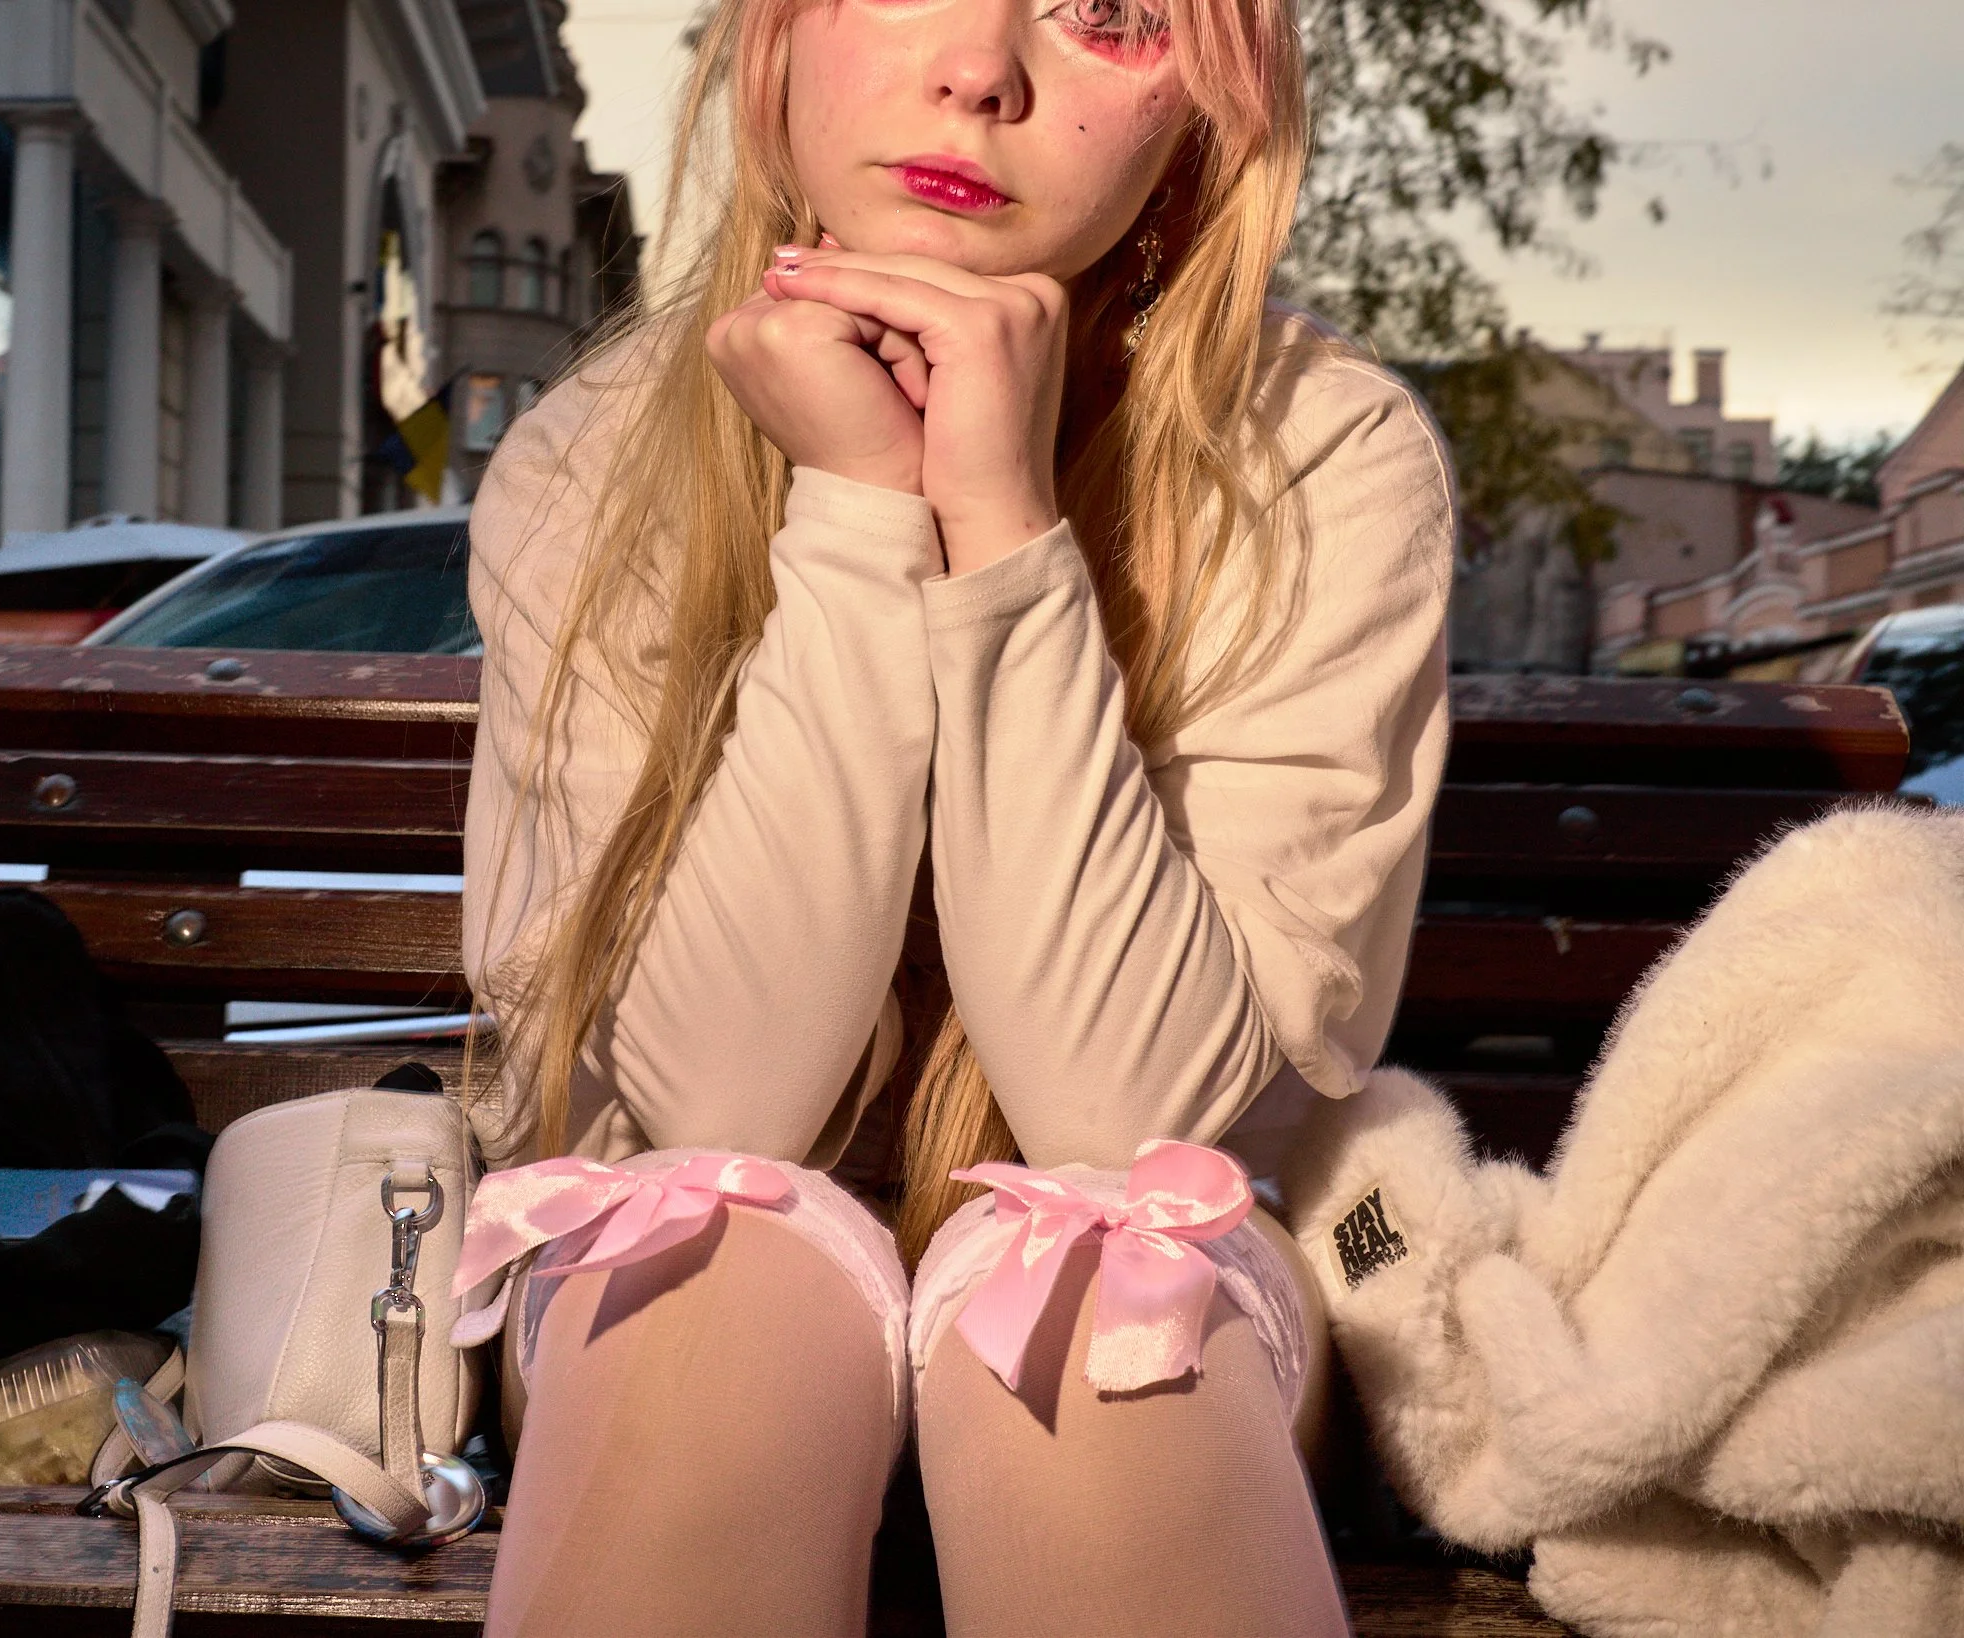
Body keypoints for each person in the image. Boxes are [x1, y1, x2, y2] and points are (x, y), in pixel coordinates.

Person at [460, 0, 1454, 1625]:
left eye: (1111, 17)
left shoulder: (1316, 455)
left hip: (1182, 1273)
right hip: (677, 1262)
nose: (984, 68)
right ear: (772, 43)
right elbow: (719, 1100)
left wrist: (999, 523)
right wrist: (855, 511)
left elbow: (1132, 1122)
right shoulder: (599, 454)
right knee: (704, 1247)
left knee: (1092, 1295)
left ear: (1205, 114)